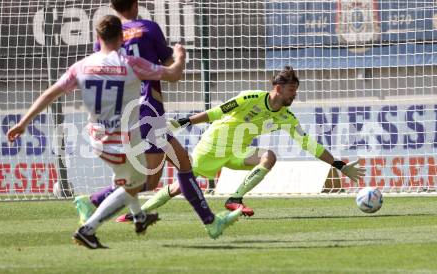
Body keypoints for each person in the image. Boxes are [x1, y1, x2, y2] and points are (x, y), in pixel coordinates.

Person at [8, 14, 185, 249]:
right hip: (123, 140)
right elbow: (173, 75)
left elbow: (50, 94)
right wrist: (180, 57)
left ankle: (140, 217)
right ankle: (87, 229)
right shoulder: (132, 64)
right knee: (135, 183)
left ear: (97, 37)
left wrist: (23, 123)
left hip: (96, 139)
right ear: (122, 38)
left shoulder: (81, 66)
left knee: (124, 177)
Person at [73, 0, 242, 241]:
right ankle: (92, 201)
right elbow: (168, 67)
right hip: (148, 109)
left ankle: (212, 223)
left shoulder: (106, 38)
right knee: (151, 179)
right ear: (136, 3)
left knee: (182, 161)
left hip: (124, 110)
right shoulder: (148, 28)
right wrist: (180, 56)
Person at [115, 66, 366, 221]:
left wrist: (338, 164)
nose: (295, 95)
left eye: (296, 91)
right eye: (292, 90)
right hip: (212, 147)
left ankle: (235, 198)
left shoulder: (286, 117)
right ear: (278, 88)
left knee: (269, 156)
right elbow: (215, 113)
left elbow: (309, 144)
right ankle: (139, 211)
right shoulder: (249, 98)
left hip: (238, 153)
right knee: (180, 186)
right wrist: (180, 123)